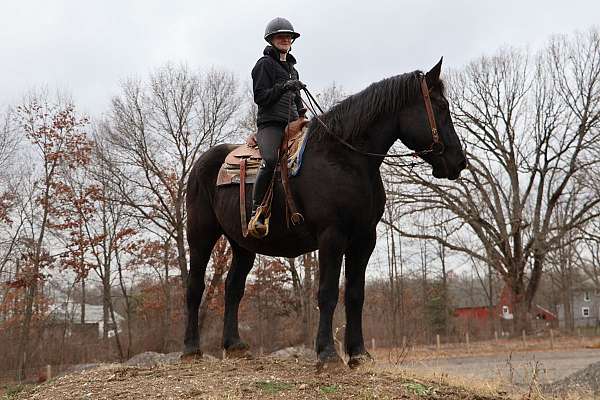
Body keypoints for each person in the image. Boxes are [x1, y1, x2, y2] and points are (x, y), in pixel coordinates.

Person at [248, 17, 306, 238]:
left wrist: (302, 115)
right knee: (271, 160)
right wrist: (284, 86)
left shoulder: (293, 70)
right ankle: (257, 211)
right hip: (271, 125)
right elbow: (261, 97)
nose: (285, 39)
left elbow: (297, 100)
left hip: (293, 124)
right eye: (280, 36)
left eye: (288, 36)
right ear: (271, 39)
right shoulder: (264, 65)